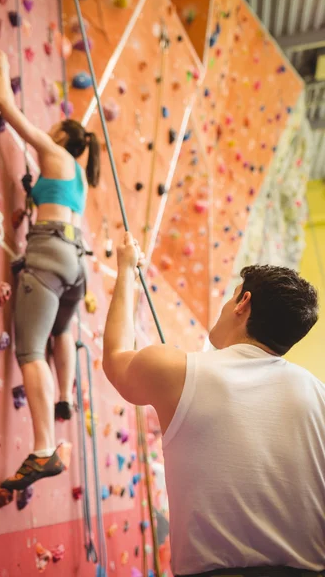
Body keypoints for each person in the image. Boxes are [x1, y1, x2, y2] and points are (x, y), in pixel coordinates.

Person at [103, 232, 325, 577]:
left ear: (243, 302)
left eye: (231, 297)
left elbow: (116, 359)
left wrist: (126, 270)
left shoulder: (176, 369)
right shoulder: (319, 395)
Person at [0, 50, 100, 491]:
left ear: (61, 136)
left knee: (30, 352)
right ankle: (63, 398)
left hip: (49, 254)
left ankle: (43, 449)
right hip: (77, 262)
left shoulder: (53, 151)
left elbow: (7, 107)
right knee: (61, 331)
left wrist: (1, 63)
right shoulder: (81, 179)